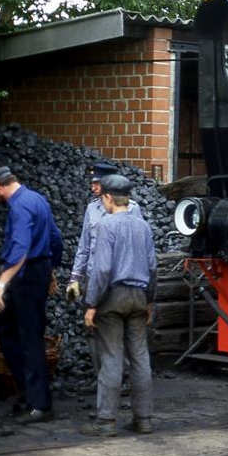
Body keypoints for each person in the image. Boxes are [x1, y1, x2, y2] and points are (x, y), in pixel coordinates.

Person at [0, 166, 64, 424]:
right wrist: (51, 270)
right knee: (6, 331)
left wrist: (1, 286)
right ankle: (29, 391)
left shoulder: (18, 208)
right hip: (38, 271)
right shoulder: (37, 199)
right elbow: (55, 237)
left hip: (25, 276)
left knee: (29, 338)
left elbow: (20, 250)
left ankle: (41, 405)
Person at [81, 174, 157, 437]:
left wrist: (91, 304)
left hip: (113, 298)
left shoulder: (106, 225)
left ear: (109, 197)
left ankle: (105, 422)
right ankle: (144, 420)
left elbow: (101, 270)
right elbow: (152, 267)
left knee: (111, 358)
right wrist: (149, 301)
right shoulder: (143, 226)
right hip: (138, 297)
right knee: (140, 357)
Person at [66, 162, 143, 392]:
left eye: (97, 183)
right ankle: (101, 376)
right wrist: (75, 278)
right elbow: (84, 246)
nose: (93, 187)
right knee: (93, 330)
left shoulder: (133, 209)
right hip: (94, 278)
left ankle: (124, 376)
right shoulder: (92, 209)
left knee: (117, 331)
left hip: (117, 279)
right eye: (92, 183)